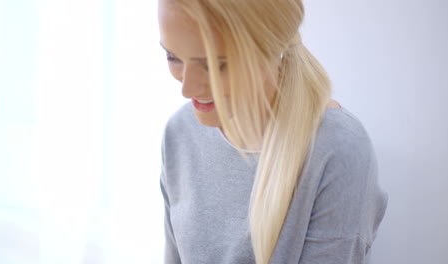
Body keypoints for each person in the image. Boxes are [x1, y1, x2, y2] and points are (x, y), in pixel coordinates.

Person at [158, 0, 388, 263]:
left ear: (270, 48)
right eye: (173, 57)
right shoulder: (180, 133)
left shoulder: (337, 150)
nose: (187, 88)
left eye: (213, 64)